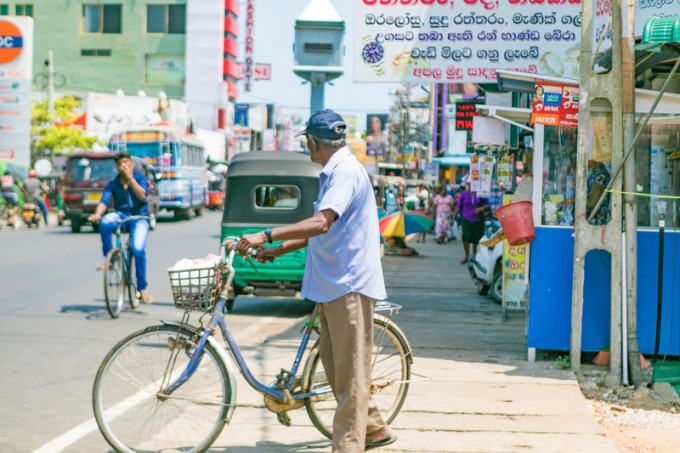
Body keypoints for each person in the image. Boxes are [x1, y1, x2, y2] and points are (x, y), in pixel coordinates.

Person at [235, 109, 397, 452]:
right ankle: (375, 427)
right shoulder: (336, 172)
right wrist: (278, 250)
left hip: (348, 285)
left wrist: (266, 234)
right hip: (333, 285)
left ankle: (347, 447)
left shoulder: (345, 173)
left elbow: (321, 223)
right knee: (336, 369)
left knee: (351, 377)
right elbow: (321, 230)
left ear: (313, 141)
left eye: (307, 141)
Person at [89, 151, 153, 304]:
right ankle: (110, 258)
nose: (123, 166)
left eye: (126, 162)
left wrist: (131, 179)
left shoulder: (140, 177)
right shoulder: (113, 183)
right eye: (120, 164)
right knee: (105, 222)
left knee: (137, 249)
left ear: (131, 163)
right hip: (122, 216)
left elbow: (142, 196)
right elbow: (104, 201)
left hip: (140, 218)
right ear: (116, 167)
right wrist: (97, 215)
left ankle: (141, 288)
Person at [452, 183, 491, 264]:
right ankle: (467, 256)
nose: (471, 186)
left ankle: (474, 256)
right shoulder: (464, 194)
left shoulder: (481, 194)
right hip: (466, 219)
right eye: (470, 184)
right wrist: (453, 218)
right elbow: (459, 207)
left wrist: (480, 208)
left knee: (476, 239)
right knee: (466, 237)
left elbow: (487, 205)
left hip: (478, 220)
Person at [586, 159, 611, 225]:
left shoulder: (600, 175)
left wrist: (575, 201)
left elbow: (592, 203)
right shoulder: (593, 173)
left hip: (595, 224)